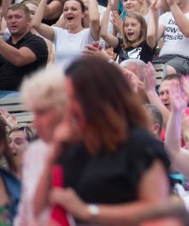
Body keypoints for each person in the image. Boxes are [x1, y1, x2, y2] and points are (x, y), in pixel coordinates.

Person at [34, 58, 170, 224]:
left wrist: (89, 211)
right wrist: (53, 154)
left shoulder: (140, 144)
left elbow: (157, 209)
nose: (68, 106)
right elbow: (39, 209)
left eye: (74, 97)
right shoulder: (73, 145)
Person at [15, 66, 66, 225]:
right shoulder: (34, 152)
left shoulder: (92, 151)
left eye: (42, 112)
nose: (34, 123)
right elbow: (24, 214)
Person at [32, 0, 100, 69]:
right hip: (60, 80)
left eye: (74, 9)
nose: (69, 12)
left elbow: (94, 20)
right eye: (66, 9)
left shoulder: (89, 34)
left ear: (83, 14)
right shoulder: (58, 33)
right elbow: (35, 24)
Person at [0, 4, 48, 94]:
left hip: (26, 98)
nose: (13, 21)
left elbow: (19, 59)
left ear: (28, 21)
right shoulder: (5, 44)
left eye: (17, 17)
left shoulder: (37, 42)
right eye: (9, 18)